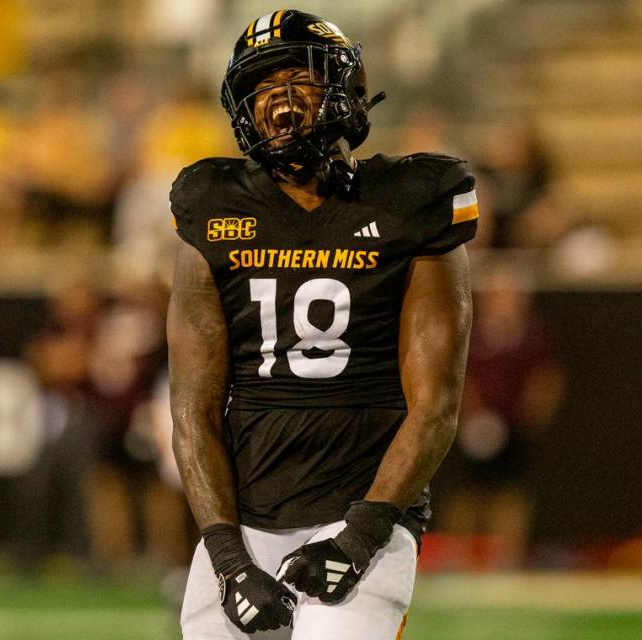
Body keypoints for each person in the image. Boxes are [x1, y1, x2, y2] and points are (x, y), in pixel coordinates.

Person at [167, 10, 478, 639]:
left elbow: (437, 406)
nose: (279, 102)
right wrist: (228, 561)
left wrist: (360, 537)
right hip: (245, 515)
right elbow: (191, 410)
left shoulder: (411, 199)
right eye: (262, 87)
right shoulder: (213, 204)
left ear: (345, 88)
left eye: (297, 79)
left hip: (364, 508)